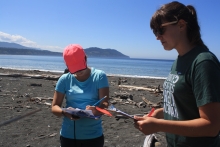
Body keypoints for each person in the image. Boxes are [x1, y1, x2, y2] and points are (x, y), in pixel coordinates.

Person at [134, 1, 220, 147]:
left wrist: (159, 125)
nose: (157, 37)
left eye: (160, 30)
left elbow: (211, 126)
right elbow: (185, 105)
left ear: (181, 25)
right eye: (155, 32)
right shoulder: (179, 60)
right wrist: (160, 113)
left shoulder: (203, 62)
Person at [51, 44, 109, 147]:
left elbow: (105, 102)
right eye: (75, 69)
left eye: (80, 68)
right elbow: (54, 107)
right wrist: (65, 112)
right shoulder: (64, 79)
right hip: (68, 135)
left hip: (93, 136)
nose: (79, 72)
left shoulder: (99, 76)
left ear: (85, 58)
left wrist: (97, 109)